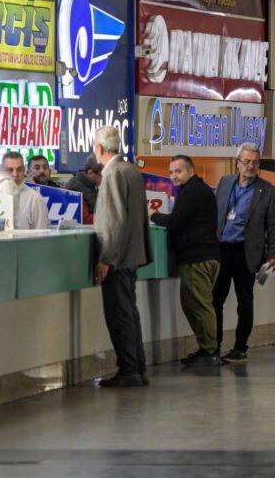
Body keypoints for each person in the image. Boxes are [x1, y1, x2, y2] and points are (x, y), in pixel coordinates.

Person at [92, 126, 153, 387]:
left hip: (118, 258)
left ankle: (128, 369)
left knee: (119, 315)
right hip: (131, 254)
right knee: (129, 313)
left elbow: (114, 220)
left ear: (99, 149)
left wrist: (106, 258)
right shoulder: (130, 171)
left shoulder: (113, 174)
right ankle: (137, 367)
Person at [150, 155, 221, 367]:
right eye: (171, 172)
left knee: (199, 305)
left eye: (178, 171)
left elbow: (175, 222)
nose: (174, 176)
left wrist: (153, 215)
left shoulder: (192, 192)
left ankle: (210, 351)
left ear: (190, 171)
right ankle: (207, 348)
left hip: (197, 259)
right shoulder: (197, 190)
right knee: (193, 304)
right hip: (203, 257)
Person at [213, 142, 275, 364]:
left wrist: (274, 253)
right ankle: (213, 346)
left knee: (245, 302)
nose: (251, 166)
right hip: (222, 250)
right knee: (215, 300)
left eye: (255, 162)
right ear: (237, 163)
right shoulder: (224, 183)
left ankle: (240, 347)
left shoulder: (267, 190)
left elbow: (272, 226)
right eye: (247, 161)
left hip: (246, 253)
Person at [1, 152, 50, 230]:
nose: (15, 174)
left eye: (19, 169)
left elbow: (41, 237)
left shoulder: (35, 199)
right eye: (10, 170)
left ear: (24, 171)